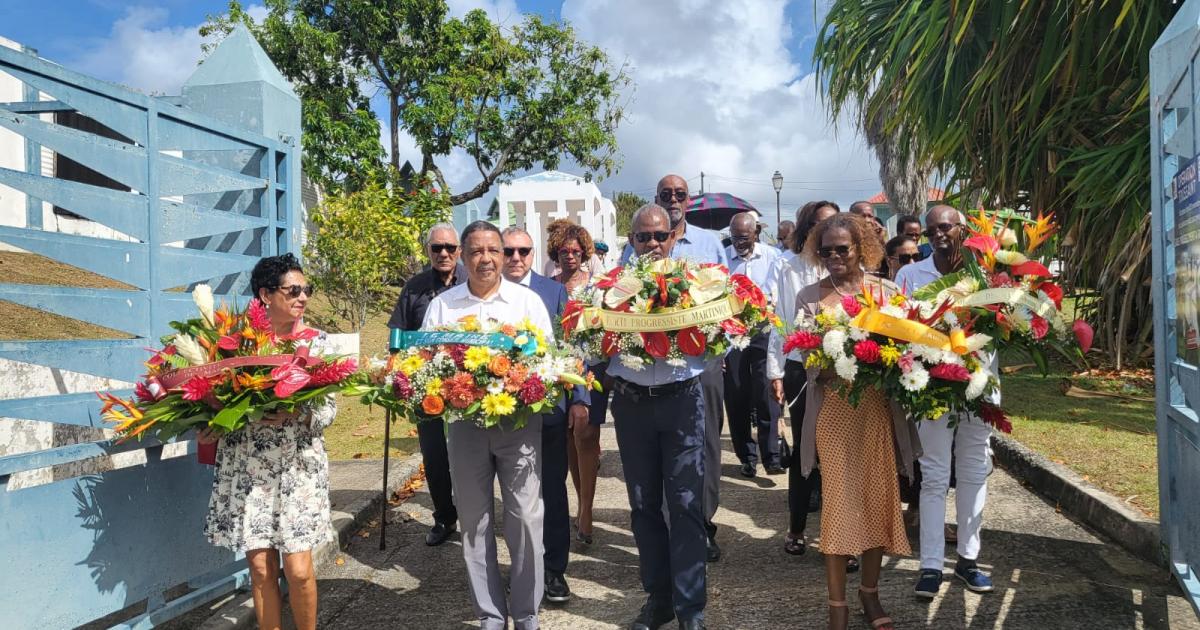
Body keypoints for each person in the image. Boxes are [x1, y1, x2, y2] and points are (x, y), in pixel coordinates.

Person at [423, 221, 556, 630]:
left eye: (494, 251)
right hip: (464, 426)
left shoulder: (527, 302)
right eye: (477, 251)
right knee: (474, 521)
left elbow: (547, 363)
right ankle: (490, 615)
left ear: (504, 256)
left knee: (526, 518)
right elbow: (426, 364)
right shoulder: (444, 307)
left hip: (517, 425)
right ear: (463, 257)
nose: (486, 259)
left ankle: (527, 613)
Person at [796, 214, 919, 630]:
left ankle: (870, 596)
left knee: (877, 503)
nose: (834, 256)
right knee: (838, 506)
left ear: (860, 248)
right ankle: (837, 607)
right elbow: (807, 360)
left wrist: (878, 357)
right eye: (826, 250)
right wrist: (843, 356)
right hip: (832, 413)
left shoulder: (884, 292)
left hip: (876, 412)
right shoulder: (810, 297)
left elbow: (904, 351)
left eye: (842, 249)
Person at [200, 253, 334, 630]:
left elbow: (329, 410)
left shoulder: (317, 344)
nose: (303, 297)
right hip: (248, 467)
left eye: (306, 289)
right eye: (293, 290)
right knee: (260, 569)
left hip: (297, 469)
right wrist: (211, 422)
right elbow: (214, 398)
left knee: (299, 569)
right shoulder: (235, 345)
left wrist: (301, 413)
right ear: (265, 294)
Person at [609, 204, 712, 630]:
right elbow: (595, 345)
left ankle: (691, 609)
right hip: (632, 403)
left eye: (659, 236)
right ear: (631, 241)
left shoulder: (698, 285)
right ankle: (658, 599)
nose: (651, 244)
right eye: (642, 237)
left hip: (681, 399)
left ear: (673, 237)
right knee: (643, 504)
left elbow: (717, 340)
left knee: (686, 504)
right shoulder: (611, 289)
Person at [622, 173, 728, 562]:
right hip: (647, 365)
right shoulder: (632, 248)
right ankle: (672, 531)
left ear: (689, 197)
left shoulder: (709, 243)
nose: (673, 198)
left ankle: (705, 524)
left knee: (706, 447)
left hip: (701, 362)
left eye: (680, 193)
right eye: (666, 193)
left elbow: (725, 300)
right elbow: (619, 298)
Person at [895, 205, 996, 600]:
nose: (939, 234)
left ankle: (969, 560)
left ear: (962, 230)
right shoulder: (909, 275)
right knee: (934, 475)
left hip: (978, 387)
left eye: (946, 227)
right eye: (932, 229)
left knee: (973, 472)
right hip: (932, 390)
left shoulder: (985, 276)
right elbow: (899, 330)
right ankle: (931, 566)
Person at [500, 227, 591, 605]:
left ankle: (555, 570)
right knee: (515, 497)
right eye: (509, 251)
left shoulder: (554, 292)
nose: (516, 258)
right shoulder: (485, 292)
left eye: (523, 251)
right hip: (502, 415)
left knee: (551, 491)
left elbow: (573, 345)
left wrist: (580, 396)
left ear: (534, 253)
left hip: (550, 412)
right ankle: (522, 568)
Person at [765, 201, 847, 559]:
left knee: (843, 456)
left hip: (847, 370)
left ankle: (844, 537)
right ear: (805, 228)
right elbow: (779, 321)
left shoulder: (853, 270)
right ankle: (797, 527)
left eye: (832, 223)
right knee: (806, 452)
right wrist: (776, 370)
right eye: (818, 224)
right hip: (802, 368)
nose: (825, 231)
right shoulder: (788, 267)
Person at [386, 223, 464, 547]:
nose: (443, 253)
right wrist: (393, 369)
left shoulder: (473, 282)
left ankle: (477, 519)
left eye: (449, 247)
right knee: (434, 456)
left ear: (459, 250)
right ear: (428, 250)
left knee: (471, 453)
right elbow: (396, 336)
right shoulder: (415, 287)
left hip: (466, 385)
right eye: (437, 248)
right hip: (426, 386)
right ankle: (444, 517)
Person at [546, 223, 604, 546]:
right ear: (556, 253)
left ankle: (586, 511)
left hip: (592, 372)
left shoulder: (596, 287)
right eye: (564, 251)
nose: (570, 255)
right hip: (560, 372)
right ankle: (581, 499)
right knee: (568, 439)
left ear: (584, 251)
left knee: (587, 436)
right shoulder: (550, 287)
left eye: (575, 250)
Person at [724, 212, 783, 477]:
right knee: (736, 393)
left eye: (744, 238)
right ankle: (746, 456)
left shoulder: (772, 256)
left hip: (763, 329)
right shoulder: (723, 257)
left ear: (755, 234)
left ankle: (771, 455)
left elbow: (775, 291)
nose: (739, 243)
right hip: (732, 332)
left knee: (765, 391)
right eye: (735, 238)